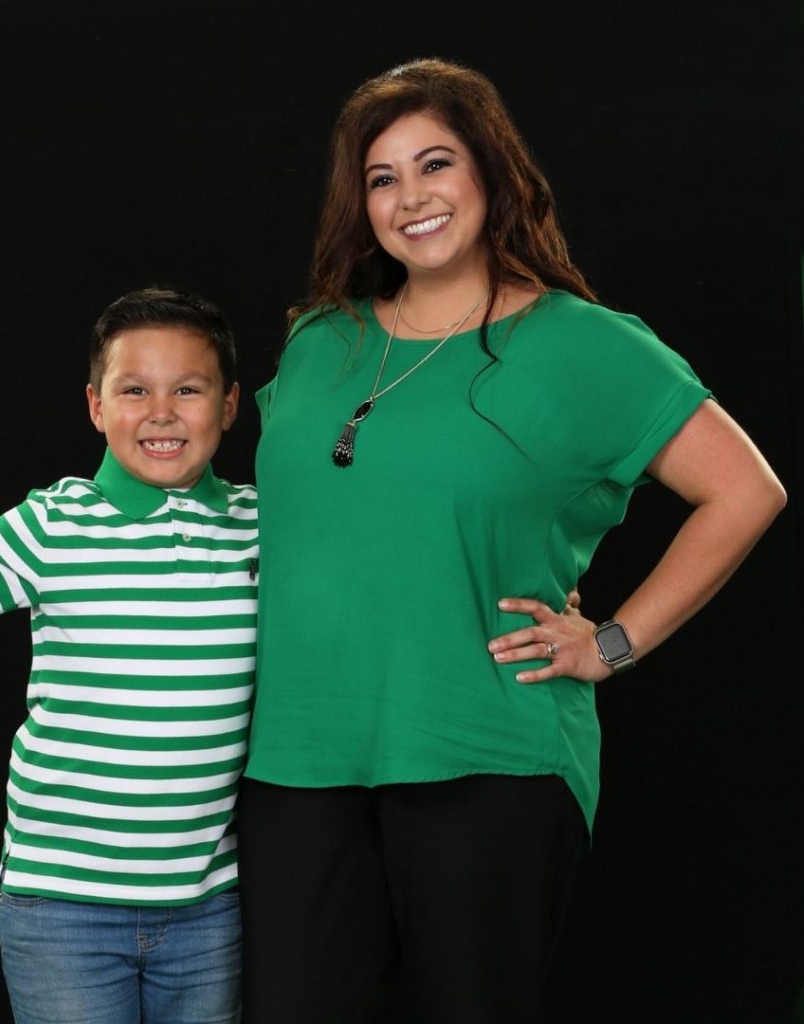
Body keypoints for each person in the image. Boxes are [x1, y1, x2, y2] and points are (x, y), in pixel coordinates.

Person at [237, 59, 786, 1023]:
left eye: (435, 163)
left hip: (487, 757)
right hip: (297, 764)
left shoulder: (584, 344)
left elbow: (746, 491)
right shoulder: (322, 340)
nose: (410, 197)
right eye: (381, 177)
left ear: (492, 174)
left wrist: (610, 643)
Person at [0, 287, 256, 1024]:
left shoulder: (258, 526)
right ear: (96, 406)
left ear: (229, 405)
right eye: (134, 389)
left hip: (208, 908)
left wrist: (552, 607)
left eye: (189, 389)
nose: (162, 411)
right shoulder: (54, 522)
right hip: (63, 909)